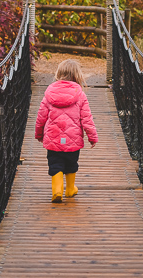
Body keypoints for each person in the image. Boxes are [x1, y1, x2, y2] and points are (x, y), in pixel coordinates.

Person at [35, 59, 98, 203]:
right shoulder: (80, 95)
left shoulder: (48, 94)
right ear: (77, 76)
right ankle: (70, 189)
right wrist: (92, 137)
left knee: (55, 163)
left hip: (53, 139)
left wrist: (39, 134)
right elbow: (87, 119)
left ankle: (57, 190)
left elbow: (41, 117)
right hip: (72, 139)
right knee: (71, 164)